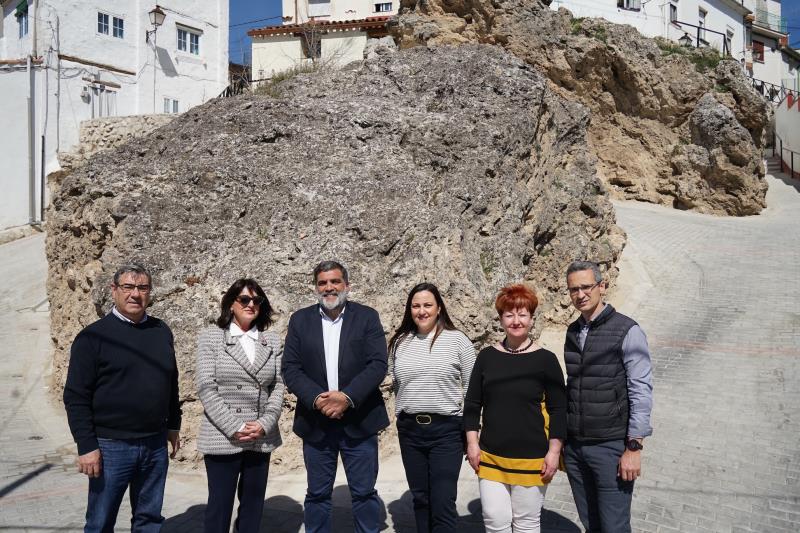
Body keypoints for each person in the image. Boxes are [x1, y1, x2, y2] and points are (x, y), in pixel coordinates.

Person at [63, 263, 181, 533]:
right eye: (128, 287)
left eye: (142, 287)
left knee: (149, 519)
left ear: (149, 293)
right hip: (111, 447)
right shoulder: (92, 337)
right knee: (100, 522)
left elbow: (171, 381)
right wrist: (86, 446)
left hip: (154, 444)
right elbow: (76, 397)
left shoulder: (161, 331)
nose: (135, 294)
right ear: (114, 290)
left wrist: (173, 424)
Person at [281, 260, 389, 533]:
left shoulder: (367, 317)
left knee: (364, 493)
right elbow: (290, 369)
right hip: (316, 422)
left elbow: (377, 364)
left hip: (359, 420)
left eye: (335, 281)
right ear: (315, 288)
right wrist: (318, 399)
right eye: (322, 283)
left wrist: (347, 397)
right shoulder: (300, 320)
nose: (329, 287)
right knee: (317, 494)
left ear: (346, 285)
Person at [464, 284, 566, 533]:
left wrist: (554, 452)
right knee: (494, 521)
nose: (516, 321)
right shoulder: (486, 357)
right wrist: (472, 443)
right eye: (509, 314)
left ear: (532, 319)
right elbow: (472, 404)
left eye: (522, 314)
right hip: (490, 456)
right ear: (500, 319)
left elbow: (559, 409)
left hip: (533, 459)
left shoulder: (546, 360)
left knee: (526, 524)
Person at [562, 260, 653, 533]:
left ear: (602, 286)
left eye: (586, 287)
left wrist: (633, 449)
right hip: (576, 448)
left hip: (611, 448)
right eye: (574, 289)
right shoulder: (572, 332)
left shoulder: (627, 330)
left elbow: (641, 391)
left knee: (614, 526)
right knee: (591, 524)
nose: (581, 295)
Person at [195, 278, 285, 533]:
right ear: (231, 304)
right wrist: (234, 426)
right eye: (244, 299)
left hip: (260, 435)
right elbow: (205, 386)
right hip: (223, 435)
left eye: (256, 300)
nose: (251, 304)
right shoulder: (212, 338)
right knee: (220, 506)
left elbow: (278, 385)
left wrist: (265, 423)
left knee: (253, 505)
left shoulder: (272, 340)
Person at [389, 283, 476, 533]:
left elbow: (472, 390)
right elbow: (396, 385)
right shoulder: (399, 343)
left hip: (446, 432)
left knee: (443, 501)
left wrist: (471, 434)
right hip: (410, 431)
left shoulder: (458, 341)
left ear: (439, 308)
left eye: (428, 305)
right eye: (416, 306)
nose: (422, 311)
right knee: (421, 498)